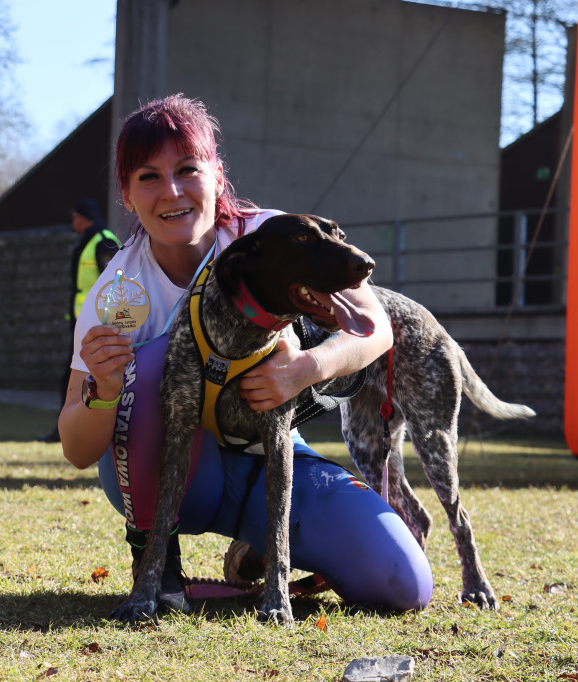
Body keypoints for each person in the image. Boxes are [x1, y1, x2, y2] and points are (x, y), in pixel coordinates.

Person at [57, 94, 433, 614]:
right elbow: (76, 449)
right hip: (178, 474)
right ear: (125, 192)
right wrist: (103, 389)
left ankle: (260, 546)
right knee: (147, 367)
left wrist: (306, 368)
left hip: (271, 457)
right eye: (148, 176)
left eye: (187, 169)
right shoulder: (116, 291)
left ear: (216, 175)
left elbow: (375, 329)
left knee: (402, 582)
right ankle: (158, 570)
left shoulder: (274, 237)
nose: (171, 191)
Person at [41, 199, 121, 443]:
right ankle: (67, 429)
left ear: (82, 217)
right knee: (73, 379)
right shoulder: (88, 241)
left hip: (100, 328)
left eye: (73, 217)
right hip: (82, 325)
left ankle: (74, 431)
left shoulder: (104, 241)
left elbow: (117, 286)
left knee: (78, 378)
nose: (72, 223)